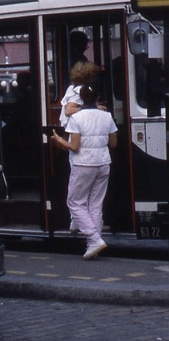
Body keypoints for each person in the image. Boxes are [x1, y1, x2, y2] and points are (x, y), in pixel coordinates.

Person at [51, 84, 118, 259]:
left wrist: (58, 139)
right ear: (97, 98)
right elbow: (113, 144)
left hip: (83, 164)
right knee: (95, 205)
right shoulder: (107, 116)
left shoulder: (76, 118)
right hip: (103, 163)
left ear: (81, 98)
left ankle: (94, 239)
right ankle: (92, 246)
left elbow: (73, 146)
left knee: (74, 202)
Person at [60, 61, 102, 126]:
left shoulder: (72, 88)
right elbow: (68, 111)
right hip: (75, 127)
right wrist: (95, 108)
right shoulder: (80, 91)